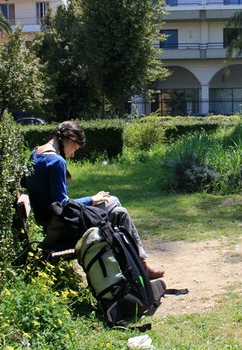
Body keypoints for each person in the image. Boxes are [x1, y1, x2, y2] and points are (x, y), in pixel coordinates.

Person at [24, 120, 164, 279]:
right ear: (69, 140)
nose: (73, 153)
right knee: (115, 205)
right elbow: (62, 204)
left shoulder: (35, 153)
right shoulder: (57, 162)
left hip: (48, 219)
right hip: (60, 225)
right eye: (75, 148)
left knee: (119, 211)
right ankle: (140, 265)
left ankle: (139, 265)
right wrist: (91, 199)